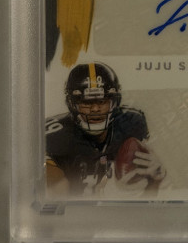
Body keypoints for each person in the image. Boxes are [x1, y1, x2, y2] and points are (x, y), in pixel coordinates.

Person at [45, 62, 165, 196]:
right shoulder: (54, 134)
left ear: (114, 102)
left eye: (102, 101)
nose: (95, 109)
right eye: (87, 102)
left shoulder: (130, 123)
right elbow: (55, 193)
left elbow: (145, 200)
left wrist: (154, 181)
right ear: (72, 104)